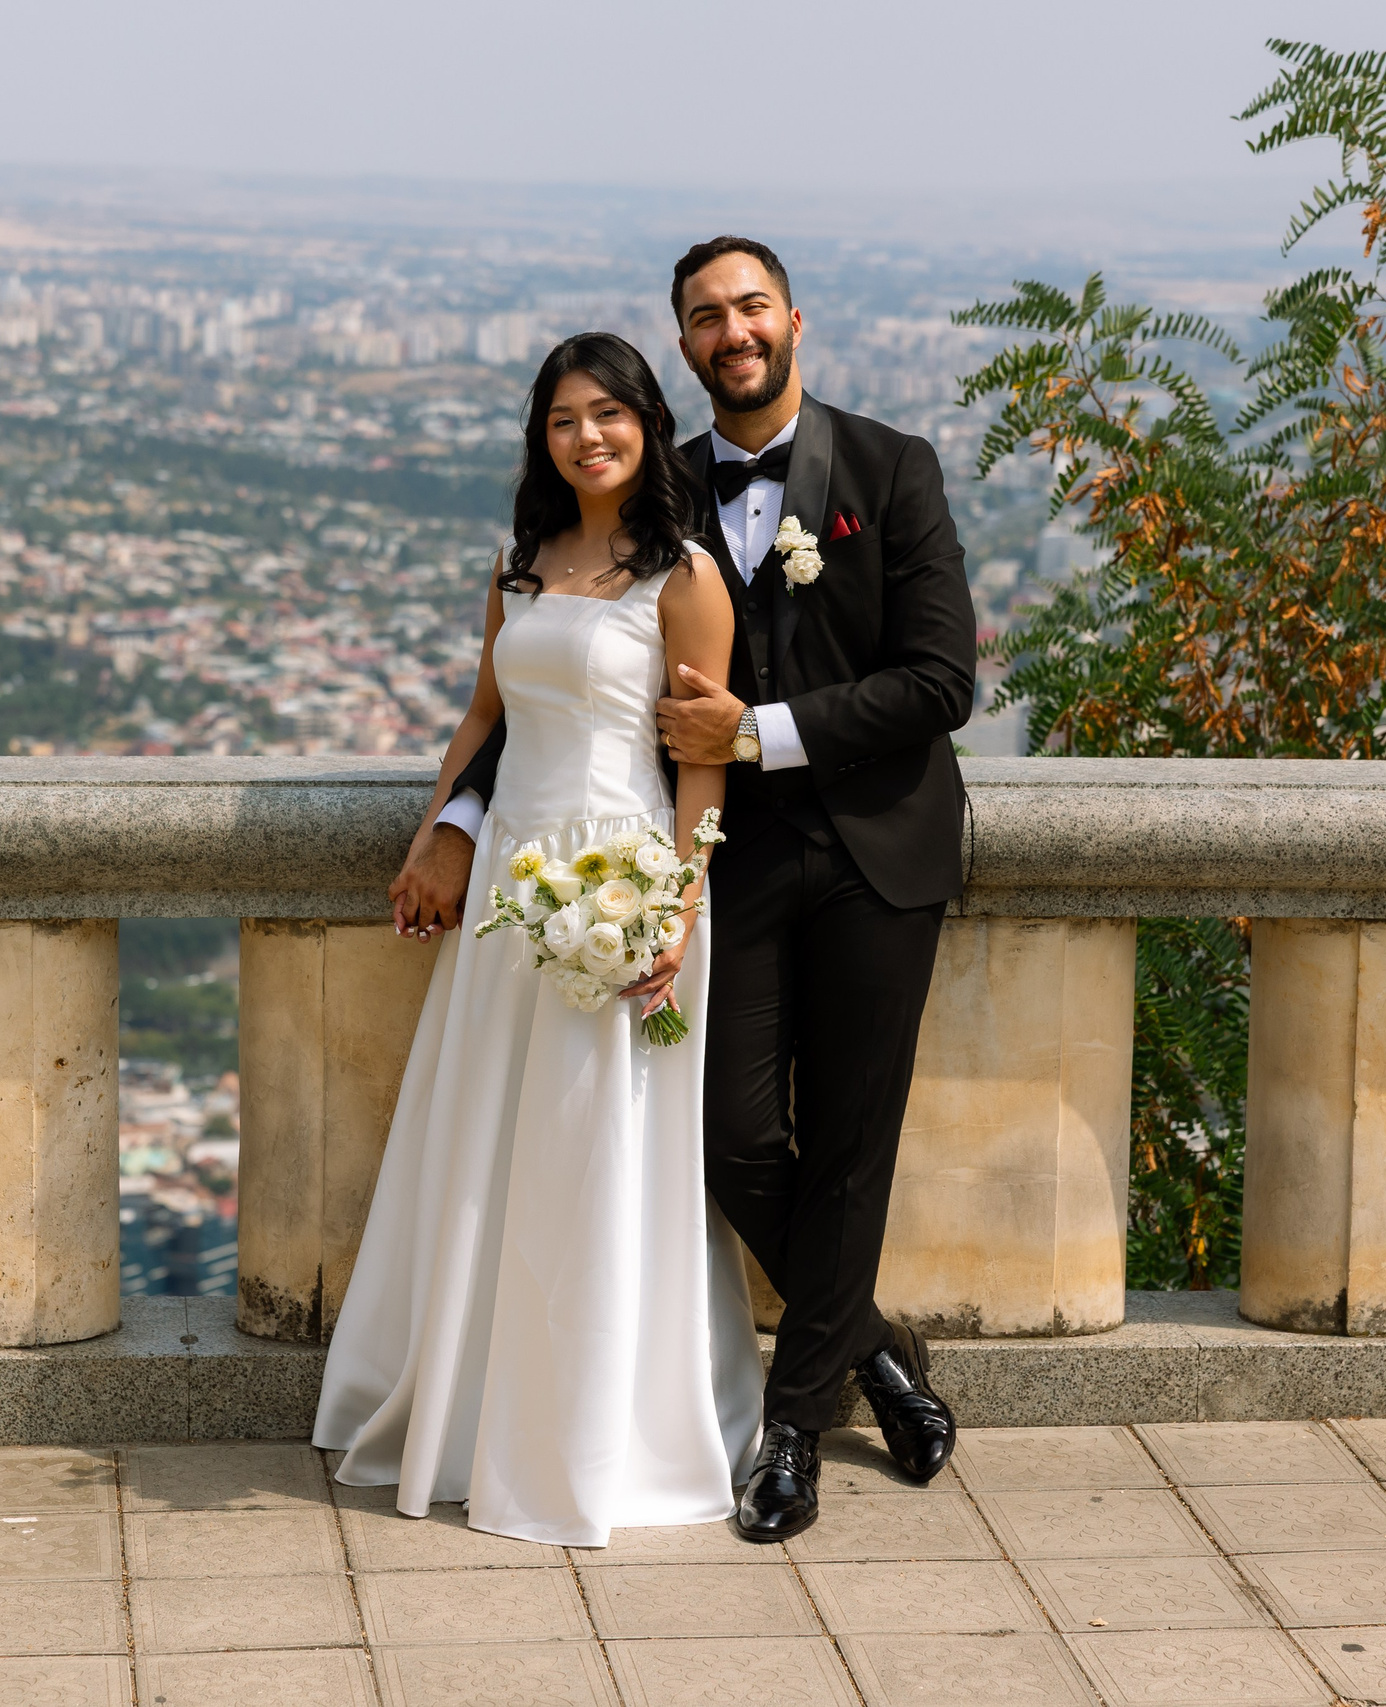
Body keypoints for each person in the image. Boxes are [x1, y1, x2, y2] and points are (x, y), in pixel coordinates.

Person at [407, 236, 977, 1542]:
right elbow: (555, 672)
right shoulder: (640, 488)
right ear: (684, 344)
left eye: (751, 306)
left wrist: (758, 733)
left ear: (793, 319)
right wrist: (454, 815)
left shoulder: (891, 467)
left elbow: (943, 682)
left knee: (849, 1143)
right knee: (724, 1140)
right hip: (723, 864)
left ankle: (791, 1430)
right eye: (706, 315)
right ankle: (878, 1357)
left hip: (878, 850)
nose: (733, 329)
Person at [311, 331, 764, 1547]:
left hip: (626, 884)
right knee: (495, 1141)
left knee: (598, 1146)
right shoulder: (516, 566)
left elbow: (701, 756)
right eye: (563, 420)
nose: (587, 438)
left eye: (608, 414)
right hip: (515, 889)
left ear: (644, 425)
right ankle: (471, 1408)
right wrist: (436, 834)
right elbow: (482, 715)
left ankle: (599, 1428)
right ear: (542, 440)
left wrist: (675, 905)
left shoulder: (687, 578)